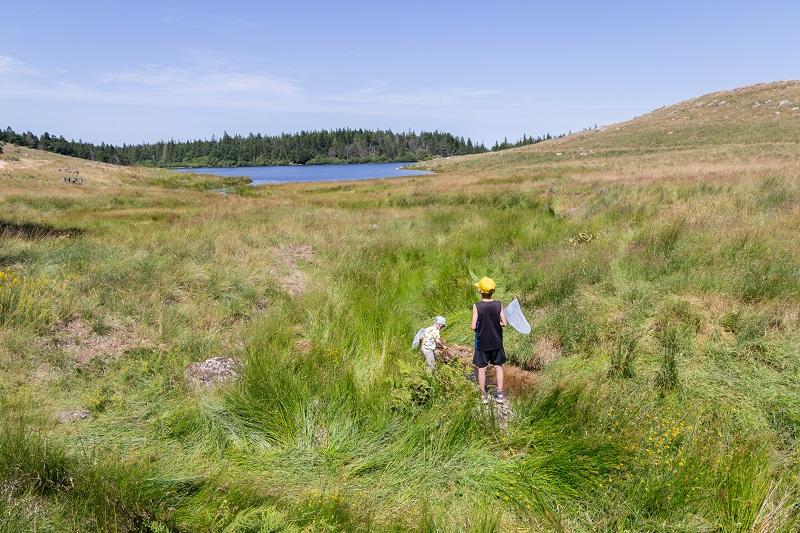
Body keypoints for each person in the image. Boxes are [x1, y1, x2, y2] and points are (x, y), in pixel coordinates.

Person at [471, 277, 507, 404]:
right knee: (499, 367)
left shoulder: (477, 306)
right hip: (497, 342)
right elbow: (504, 323)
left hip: (482, 343)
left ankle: (483, 396)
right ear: (493, 291)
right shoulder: (499, 304)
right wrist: (495, 323)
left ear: (480, 291)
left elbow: (473, 326)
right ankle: (500, 395)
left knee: (482, 368)